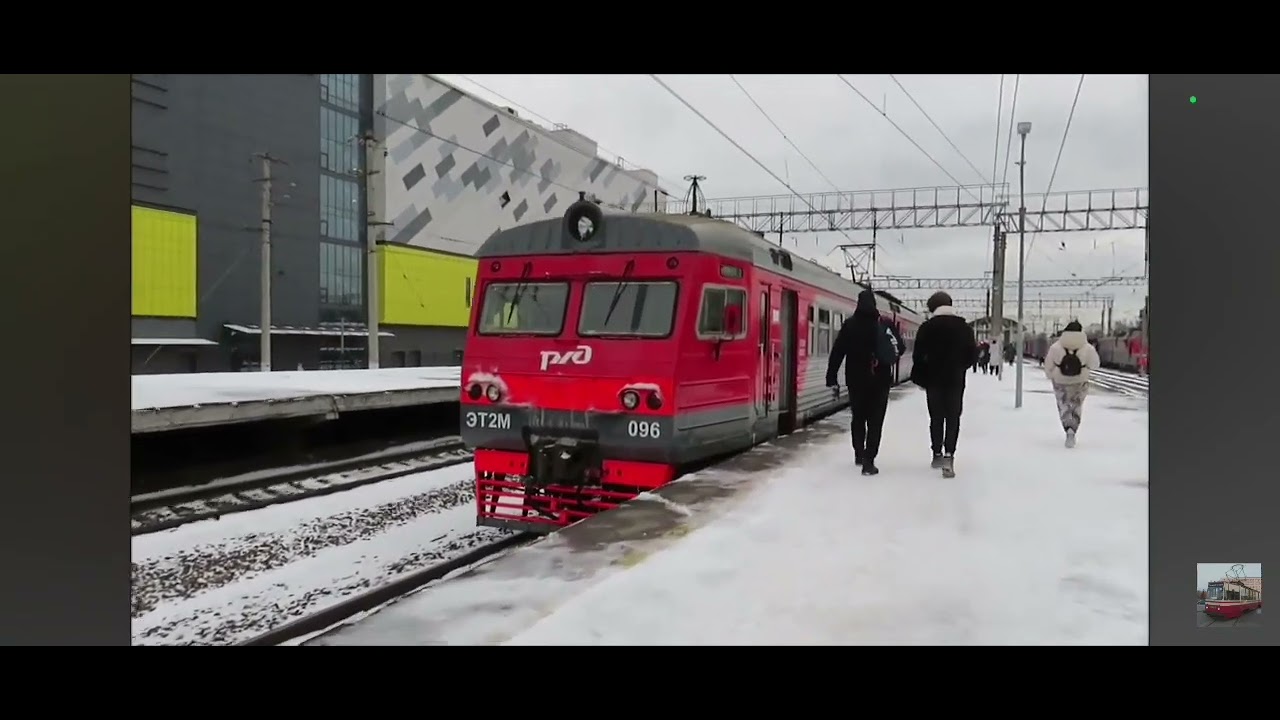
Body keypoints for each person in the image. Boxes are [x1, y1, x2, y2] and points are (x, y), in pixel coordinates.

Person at [826, 288, 905, 476]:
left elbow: (837, 352)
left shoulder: (850, 325)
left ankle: (859, 453)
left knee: (858, 418)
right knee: (875, 422)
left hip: (856, 378)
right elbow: (900, 348)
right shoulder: (884, 324)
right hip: (880, 379)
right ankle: (869, 462)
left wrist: (832, 377)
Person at [909, 291, 977, 477]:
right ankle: (949, 455)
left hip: (934, 380)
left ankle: (936, 453)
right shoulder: (965, 329)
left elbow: (917, 357)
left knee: (936, 417)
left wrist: (924, 376)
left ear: (933, 307)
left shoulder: (927, 328)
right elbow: (972, 355)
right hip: (956, 380)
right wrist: (959, 367)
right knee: (953, 417)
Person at [1044, 320, 1101, 448]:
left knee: (1063, 405)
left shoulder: (1056, 347)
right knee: (1076, 406)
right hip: (1080, 381)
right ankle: (1073, 430)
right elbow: (1095, 365)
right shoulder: (1087, 347)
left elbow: (1048, 365)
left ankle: (1067, 426)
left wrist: (1050, 375)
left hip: (1060, 381)